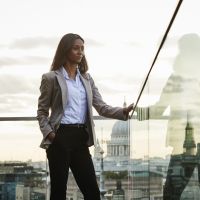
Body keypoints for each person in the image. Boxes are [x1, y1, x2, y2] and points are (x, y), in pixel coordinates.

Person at [37, 33, 133, 200]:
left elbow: (101, 107)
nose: (80, 52)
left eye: (82, 48)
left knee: (92, 192)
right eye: (76, 48)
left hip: (81, 138)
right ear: (65, 50)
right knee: (58, 192)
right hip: (60, 136)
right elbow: (42, 112)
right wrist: (51, 135)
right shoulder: (51, 78)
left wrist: (121, 112)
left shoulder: (87, 79)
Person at [136, 33, 200, 199]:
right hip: (187, 143)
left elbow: (159, 108)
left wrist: (137, 112)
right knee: (171, 192)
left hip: (183, 144)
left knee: (171, 192)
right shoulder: (178, 79)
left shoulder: (176, 79)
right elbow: (160, 108)